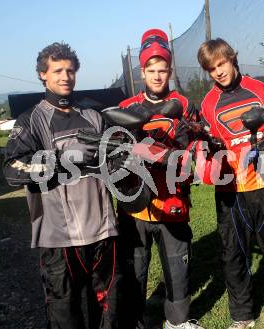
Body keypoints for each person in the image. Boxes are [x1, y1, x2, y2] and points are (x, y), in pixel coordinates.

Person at [3, 42, 124, 329]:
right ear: (43, 75)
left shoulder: (94, 115)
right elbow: (11, 168)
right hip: (59, 238)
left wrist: (119, 160)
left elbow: (117, 155)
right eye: (57, 70)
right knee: (64, 311)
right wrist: (58, 160)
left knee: (109, 305)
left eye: (70, 70)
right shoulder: (31, 120)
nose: (65, 76)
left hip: (102, 229)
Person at [196, 38, 264, 329]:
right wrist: (210, 153)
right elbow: (208, 149)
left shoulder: (262, 89)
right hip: (231, 192)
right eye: (211, 68)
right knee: (234, 254)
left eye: (221, 63)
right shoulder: (207, 105)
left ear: (232, 58)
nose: (218, 71)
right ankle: (242, 315)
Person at [116, 29, 203, 329]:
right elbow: (112, 150)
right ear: (142, 71)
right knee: (135, 267)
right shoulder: (126, 107)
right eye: (151, 70)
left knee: (177, 264)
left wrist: (190, 151)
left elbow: (197, 146)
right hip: (135, 202)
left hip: (172, 198)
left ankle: (177, 322)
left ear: (170, 70)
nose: (157, 76)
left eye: (162, 70)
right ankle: (134, 321)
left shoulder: (184, 103)